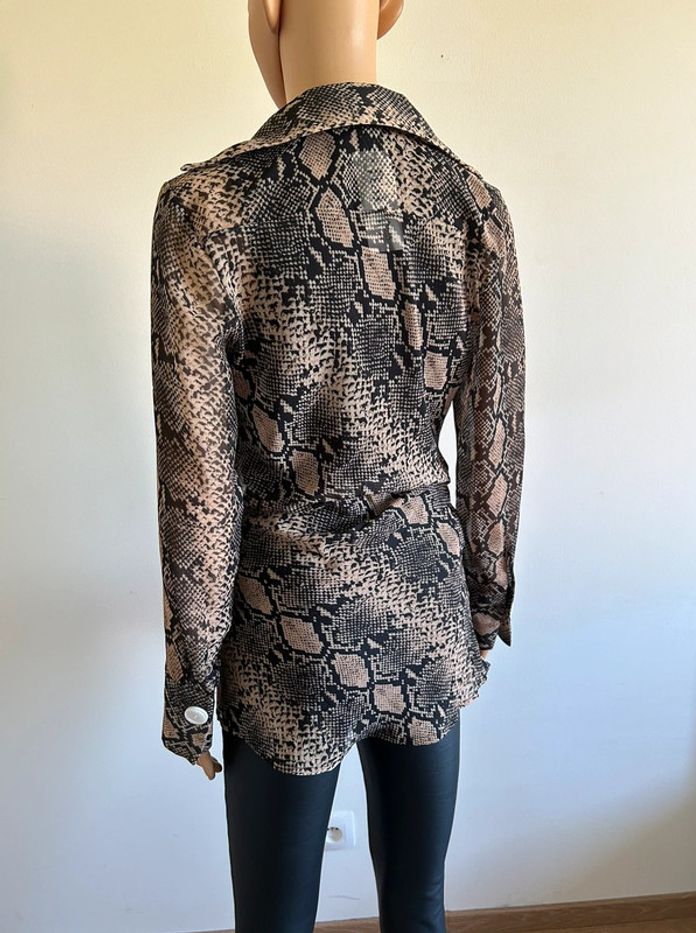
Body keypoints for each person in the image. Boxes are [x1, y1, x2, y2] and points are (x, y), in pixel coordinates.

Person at [149, 1, 525, 930]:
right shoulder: (471, 202)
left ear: (268, 9)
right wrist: (483, 599)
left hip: (287, 632)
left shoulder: (208, 208)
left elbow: (199, 483)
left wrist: (193, 670)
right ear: (388, 11)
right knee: (420, 907)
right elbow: (496, 437)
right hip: (426, 607)